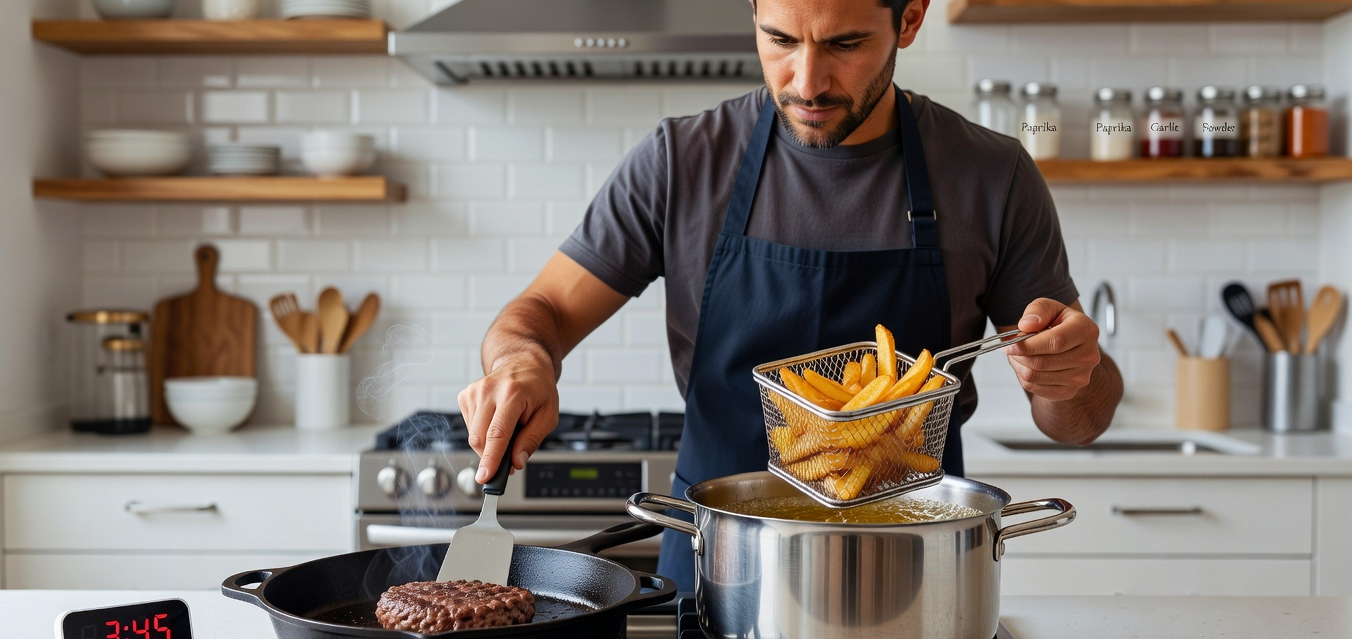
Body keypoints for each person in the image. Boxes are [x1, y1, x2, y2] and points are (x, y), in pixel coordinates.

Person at [458, 0, 1124, 591]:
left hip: (909, 584)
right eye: (780, 40)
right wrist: (522, 363)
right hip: (716, 572)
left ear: (910, 21)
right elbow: (538, 313)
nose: (806, 83)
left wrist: (1069, 378)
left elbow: (1082, 420)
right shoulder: (681, 162)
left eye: (844, 45)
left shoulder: (992, 176)